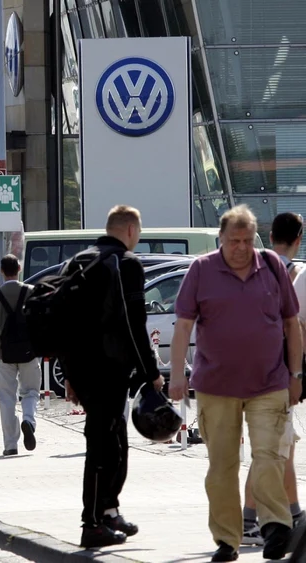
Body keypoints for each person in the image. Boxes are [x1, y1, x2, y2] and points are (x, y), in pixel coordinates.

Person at [170, 205, 302, 562]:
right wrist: (177, 376)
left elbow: (292, 323)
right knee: (223, 466)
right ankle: (227, 540)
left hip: (269, 382)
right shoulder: (201, 269)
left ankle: (275, 525)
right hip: (216, 386)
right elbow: (182, 326)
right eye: (233, 241)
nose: (241, 247)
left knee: (270, 456)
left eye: (246, 240)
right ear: (221, 239)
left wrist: (296, 376)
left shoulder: (272, 267)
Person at [59, 205, 163, 549]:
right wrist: (151, 372)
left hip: (83, 368)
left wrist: (70, 374)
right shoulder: (126, 264)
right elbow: (135, 324)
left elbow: (67, 324)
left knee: (114, 442)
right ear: (131, 230)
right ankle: (91, 524)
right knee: (103, 446)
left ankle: (108, 510)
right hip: (109, 369)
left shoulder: (79, 261)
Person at [243, 212, 305, 546]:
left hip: (249, 370)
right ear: (300, 237)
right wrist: (297, 372)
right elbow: (296, 327)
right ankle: (248, 521)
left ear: (269, 235)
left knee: (283, 447)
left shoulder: (252, 269)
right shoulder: (293, 273)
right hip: (278, 374)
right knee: (270, 449)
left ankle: (295, 514)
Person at [0, 255, 40, 456]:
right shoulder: (31, 292)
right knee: (30, 392)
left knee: (6, 398)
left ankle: (10, 444)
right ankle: (28, 420)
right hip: (30, 352)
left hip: (4, 353)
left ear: (1, 271)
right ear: (19, 268)